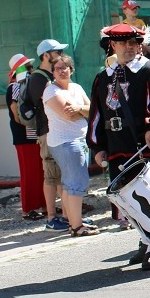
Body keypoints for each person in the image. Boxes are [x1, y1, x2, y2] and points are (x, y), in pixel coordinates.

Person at [87, 24, 150, 269]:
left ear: (139, 45)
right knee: (127, 201)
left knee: (147, 197)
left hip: (142, 145)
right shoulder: (102, 77)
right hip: (117, 145)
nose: (128, 48)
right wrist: (97, 147)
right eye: (122, 43)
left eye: (133, 43)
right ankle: (145, 240)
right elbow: (96, 114)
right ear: (112, 46)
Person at [42, 55, 96, 237]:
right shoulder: (51, 91)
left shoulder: (76, 88)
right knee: (76, 184)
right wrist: (82, 109)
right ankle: (77, 226)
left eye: (65, 67)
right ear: (52, 72)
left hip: (80, 140)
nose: (62, 70)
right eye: (58, 68)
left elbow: (93, 110)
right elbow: (68, 115)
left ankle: (70, 219)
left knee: (70, 184)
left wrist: (78, 108)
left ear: (71, 69)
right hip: (66, 142)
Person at [25, 39, 68, 231]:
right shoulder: (38, 78)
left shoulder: (48, 76)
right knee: (52, 176)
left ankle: (67, 215)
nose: (59, 54)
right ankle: (52, 217)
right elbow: (50, 103)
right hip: (47, 132)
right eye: (56, 51)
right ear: (45, 55)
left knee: (61, 176)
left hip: (57, 131)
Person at [4, 54, 47, 223]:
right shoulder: (14, 86)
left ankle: (42, 205)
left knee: (40, 172)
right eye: (28, 67)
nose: (31, 70)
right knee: (29, 173)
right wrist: (30, 125)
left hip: (34, 133)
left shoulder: (25, 85)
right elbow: (16, 112)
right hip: (24, 136)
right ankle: (28, 208)